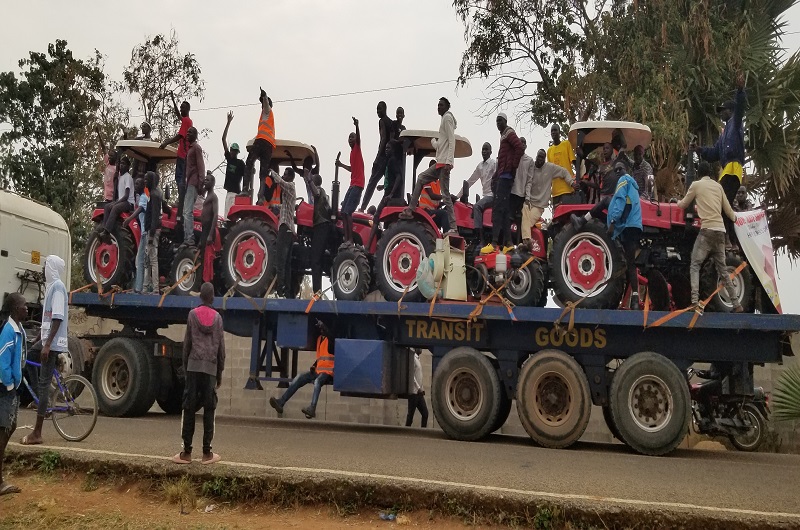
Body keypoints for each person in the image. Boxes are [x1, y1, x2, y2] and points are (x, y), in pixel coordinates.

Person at [676, 161, 743, 312]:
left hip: (706, 232)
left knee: (695, 264)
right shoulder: (718, 187)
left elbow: (684, 204)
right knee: (723, 270)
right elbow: (728, 210)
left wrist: (676, 202)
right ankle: (736, 304)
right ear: (711, 174)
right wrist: (737, 219)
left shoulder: (696, 185)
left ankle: (694, 301)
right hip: (720, 231)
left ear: (699, 174)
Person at [172, 282, 225, 465]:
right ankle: (207, 454)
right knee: (209, 409)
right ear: (212, 298)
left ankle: (186, 453)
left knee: (189, 408)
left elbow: (187, 344)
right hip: (210, 368)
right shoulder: (218, 318)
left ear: (201, 297)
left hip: (193, 367)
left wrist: (186, 367)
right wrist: (219, 374)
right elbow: (221, 350)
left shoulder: (192, 315)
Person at [694, 74, 747, 249]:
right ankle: (732, 240)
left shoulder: (736, 123)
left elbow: (741, 108)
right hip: (726, 169)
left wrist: (740, 91)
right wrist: (700, 150)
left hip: (733, 168)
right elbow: (714, 153)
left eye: (723, 109)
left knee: (720, 203)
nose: (721, 112)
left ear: (730, 111)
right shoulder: (723, 133)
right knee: (722, 205)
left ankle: (730, 241)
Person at [20, 255, 68, 446]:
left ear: (53, 268)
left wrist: (47, 345)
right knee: (30, 355)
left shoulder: (57, 288)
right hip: (48, 339)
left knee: (43, 382)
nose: (44, 269)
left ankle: (37, 432)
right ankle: (40, 397)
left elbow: (57, 317)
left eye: (46, 265)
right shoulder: (51, 288)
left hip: (54, 343)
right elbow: (47, 320)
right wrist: (39, 339)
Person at [401, 97, 458, 236]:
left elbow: (451, 140)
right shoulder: (443, 120)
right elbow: (442, 144)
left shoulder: (447, 118)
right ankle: (411, 209)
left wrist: (450, 161)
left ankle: (453, 227)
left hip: (444, 163)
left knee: (445, 194)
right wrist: (433, 142)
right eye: (438, 105)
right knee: (421, 178)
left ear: (447, 107)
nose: (438, 107)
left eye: (441, 105)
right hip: (440, 163)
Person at [269, 319, 333, 419]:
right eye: (320, 328)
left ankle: (312, 408)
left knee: (317, 381)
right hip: (318, 371)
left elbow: (331, 337)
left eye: (322, 328)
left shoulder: (331, 340)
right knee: (300, 377)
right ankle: (281, 402)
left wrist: (324, 326)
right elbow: (321, 357)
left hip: (328, 372)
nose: (321, 330)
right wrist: (314, 366)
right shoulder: (319, 339)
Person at [482, 112, 525, 254]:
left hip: (506, 176)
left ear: (505, 121)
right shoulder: (503, 136)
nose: (498, 123)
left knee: (497, 208)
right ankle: (508, 242)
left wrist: (512, 166)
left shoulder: (509, 132)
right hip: (504, 175)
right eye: (496, 121)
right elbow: (502, 160)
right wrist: (496, 175)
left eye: (500, 120)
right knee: (505, 210)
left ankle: (494, 243)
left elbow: (519, 147)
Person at [0, 293, 27, 496]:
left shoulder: (18, 329)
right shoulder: (8, 331)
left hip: (12, 388)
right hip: (4, 389)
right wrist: (9, 384)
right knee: (3, 430)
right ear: (14, 309)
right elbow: (2, 361)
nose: (27, 308)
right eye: (23, 305)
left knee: (11, 426)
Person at [607, 162, 643, 309]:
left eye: (619, 169)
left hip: (627, 226)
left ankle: (632, 300)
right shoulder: (634, 187)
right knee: (631, 263)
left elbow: (622, 202)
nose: (618, 172)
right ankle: (634, 298)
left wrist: (614, 222)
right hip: (636, 226)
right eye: (615, 171)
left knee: (625, 261)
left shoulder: (623, 181)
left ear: (625, 170)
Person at [522, 150, 575, 248]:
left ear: (545, 159)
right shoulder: (531, 167)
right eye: (539, 156)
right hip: (528, 202)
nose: (540, 159)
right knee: (523, 212)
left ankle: (526, 242)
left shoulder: (549, 168)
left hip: (539, 205)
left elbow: (563, 171)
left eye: (542, 157)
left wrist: (571, 183)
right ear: (536, 156)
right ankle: (525, 241)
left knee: (526, 223)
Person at [571, 143, 623, 231]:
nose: (605, 150)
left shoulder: (615, 163)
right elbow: (599, 185)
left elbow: (622, 150)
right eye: (604, 148)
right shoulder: (600, 167)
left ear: (612, 150)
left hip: (612, 196)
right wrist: (586, 182)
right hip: (603, 197)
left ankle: (582, 221)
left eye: (607, 148)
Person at [159, 95, 192, 223]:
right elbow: (180, 116)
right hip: (184, 155)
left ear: (188, 109)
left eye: (183, 108)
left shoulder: (186, 121)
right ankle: (181, 199)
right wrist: (173, 100)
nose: (181, 110)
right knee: (180, 178)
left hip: (183, 155)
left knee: (179, 178)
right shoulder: (187, 121)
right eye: (180, 108)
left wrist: (166, 142)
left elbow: (180, 135)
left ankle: (181, 200)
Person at [457, 142, 496, 244]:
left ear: (490, 152)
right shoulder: (480, 166)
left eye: (486, 149)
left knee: (477, 207)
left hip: (492, 195)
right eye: (483, 149)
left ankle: (479, 238)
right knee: (474, 207)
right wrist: (458, 196)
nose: (484, 151)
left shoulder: (493, 163)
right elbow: (470, 181)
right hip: (486, 196)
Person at [359, 101, 395, 210]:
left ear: (385, 109)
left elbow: (383, 139)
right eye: (377, 110)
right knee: (389, 182)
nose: (378, 112)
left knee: (372, 182)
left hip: (383, 157)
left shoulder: (382, 121)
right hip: (390, 157)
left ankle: (363, 207)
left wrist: (377, 157)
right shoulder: (392, 123)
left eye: (379, 109)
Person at [336, 117, 365, 245]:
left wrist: (357, 126)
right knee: (343, 212)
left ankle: (350, 239)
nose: (350, 139)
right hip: (352, 184)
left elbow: (358, 137)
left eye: (352, 137)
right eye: (349, 138)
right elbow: (352, 169)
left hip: (357, 185)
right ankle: (346, 238)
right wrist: (341, 165)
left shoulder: (357, 148)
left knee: (348, 212)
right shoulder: (352, 153)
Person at [303, 171, 333, 293]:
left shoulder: (320, 191)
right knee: (317, 258)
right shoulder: (323, 195)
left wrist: (309, 180)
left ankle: (317, 291)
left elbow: (315, 192)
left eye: (312, 181)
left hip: (321, 226)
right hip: (321, 227)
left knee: (316, 259)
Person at [244, 87, 276, 201]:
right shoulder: (269, 118)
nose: (261, 105)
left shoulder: (267, 111)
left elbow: (266, 103)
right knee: (263, 171)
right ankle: (261, 196)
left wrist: (264, 96)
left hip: (262, 141)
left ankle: (245, 189)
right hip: (269, 145)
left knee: (249, 162)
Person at [271, 162, 297, 297]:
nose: (283, 176)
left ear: (291, 177)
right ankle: (287, 292)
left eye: (285, 175)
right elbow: (286, 207)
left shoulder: (290, 186)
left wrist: (271, 170)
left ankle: (280, 291)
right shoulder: (289, 193)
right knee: (286, 264)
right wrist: (276, 207)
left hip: (285, 227)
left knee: (280, 261)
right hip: (289, 229)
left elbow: (280, 182)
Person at [123, 177, 149, 293]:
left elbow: (140, 210)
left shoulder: (144, 197)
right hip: (145, 232)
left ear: (143, 185)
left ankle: (138, 288)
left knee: (140, 261)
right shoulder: (145, 197)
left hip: (145, 233)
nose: (136, 186)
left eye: (138, 184)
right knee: (143, 260)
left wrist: (129, 219)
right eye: (135, 183)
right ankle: (142, 286)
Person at [100, 156, 134, 241]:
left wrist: (116, 202)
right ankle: (104, 230)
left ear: (128, 166)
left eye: (124, 164)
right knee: (107, 207)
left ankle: (107, 231)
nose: (121, 165)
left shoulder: (128, 177)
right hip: (121, 201)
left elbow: (126, 196)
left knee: (115, 208)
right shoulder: (120, 177)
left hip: (128, 203)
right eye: (121, 163)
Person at [221, 111, 245, 219]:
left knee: (232, 218)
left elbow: (246, 176)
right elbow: (223, 139)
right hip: (228, 192)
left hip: (235, 193)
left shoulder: (240, 163)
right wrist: (228, 123)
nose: (232, 152)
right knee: (226, 217)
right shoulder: (229, 160)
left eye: (235, 151)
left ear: (237, 152)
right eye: (232, 150)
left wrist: (245, 191)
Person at [196, 172, 219, 287]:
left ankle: (207, 286)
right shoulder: (207, 197)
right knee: (203, 258)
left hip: (209, 229)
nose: (205, 181)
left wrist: (210, 234)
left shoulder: (213, 197)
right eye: (204, 179)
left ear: (213, 183)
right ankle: (202, 286)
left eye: (208, 180)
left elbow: (215, 215)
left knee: (208, 260)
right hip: (204, 230)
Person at [547, 124, 579, 206]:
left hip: (567, 188)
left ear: (559, 132)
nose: (553, 132)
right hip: (555, 191)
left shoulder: (566, 144)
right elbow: (549, 171)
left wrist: (578, 179)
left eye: (555, 130)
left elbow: (574, 162)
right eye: (552, 131)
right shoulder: (549, 151)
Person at [183, 127, 204, 246]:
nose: (187, 134)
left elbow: (201, 166)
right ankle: (187, 236)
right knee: (186, 212)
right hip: (189, 183)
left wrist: (201, 183)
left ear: (195, 135)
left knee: (187, 212)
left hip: (193, 183)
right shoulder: (190, 148)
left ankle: (189, 238)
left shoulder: (196, 148)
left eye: (190, 132)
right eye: (187, 132)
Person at [144, 171, 163, 294]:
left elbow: (155, 216)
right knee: (148, 260)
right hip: (150, 230)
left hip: (153, 231)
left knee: (152, 259)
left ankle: (155, 288)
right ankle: (146, 287)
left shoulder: (155, 195)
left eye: (147, 179)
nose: (145, 181)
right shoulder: (151, 194)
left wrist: (151, 235)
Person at [511, 137, 533, 243]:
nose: (522, 144)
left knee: (520, 220)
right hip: (512, 194)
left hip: (522, 196)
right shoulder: (512, 157)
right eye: (521, 142)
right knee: (509, 219)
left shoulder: (529, 161)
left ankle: (520, 243)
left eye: (524, 143)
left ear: (526, 146)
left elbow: (529, 181)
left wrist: (527, 197)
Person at [418, 161, 449, 232]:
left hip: (432, 210)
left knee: (448, 210)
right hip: (426, 211)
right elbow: (432, 196)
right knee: (444, 214)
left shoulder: (437, 183)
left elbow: (436, 201)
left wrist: (446, 202)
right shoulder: (427, 180)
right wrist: (446, 197)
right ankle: (447, 236)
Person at [386, 106, 407, 200]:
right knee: (394, 175)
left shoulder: (404, 128)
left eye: (401, 113)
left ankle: (398, 194)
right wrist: (399, 142)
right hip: (394, 154)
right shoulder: (393, 124)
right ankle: (391, 193)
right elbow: (391, 139)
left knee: (400, 175)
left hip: (401, 155)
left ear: (404, 115)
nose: (399, 115)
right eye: (398, 113)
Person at [406, 349, 428, 428]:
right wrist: (418, 388)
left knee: (425, 413)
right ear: (416, 348)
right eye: (420, 348)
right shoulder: (413, 359)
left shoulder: (418, 359)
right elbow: (412, 376)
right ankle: (406, 431)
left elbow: (419, 376)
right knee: (410, 415)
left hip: (419, 393)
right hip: (414, 393)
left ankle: (423, 431)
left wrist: (422, 388)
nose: (421, 349)